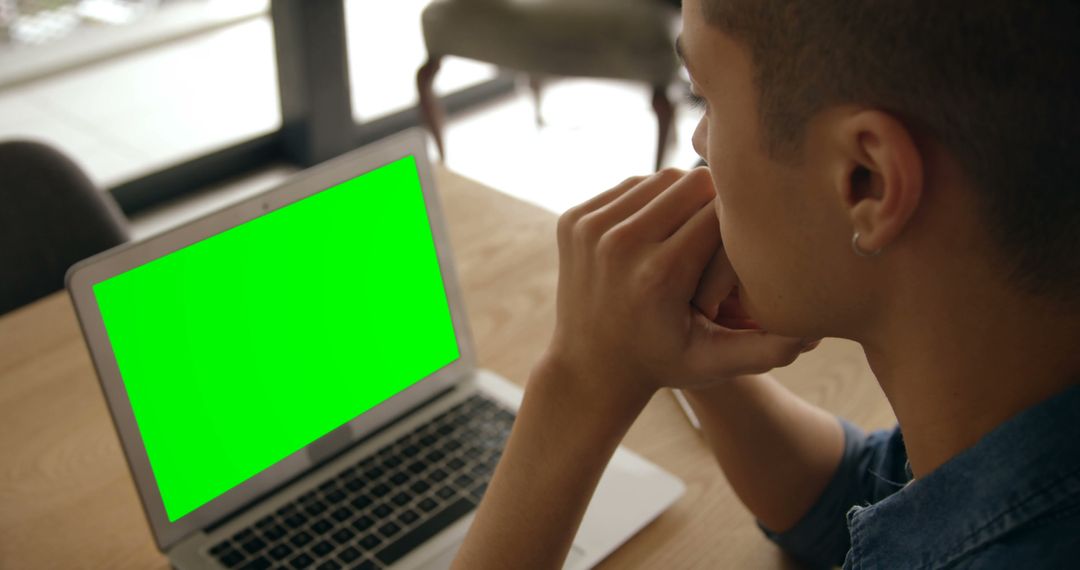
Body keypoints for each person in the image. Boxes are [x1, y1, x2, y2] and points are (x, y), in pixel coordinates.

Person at [453, 0, 1080, 567]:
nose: (698, 145)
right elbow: (864, 501)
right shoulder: (1013, 410)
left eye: (705, 100)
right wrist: (673, 352)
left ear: (868, 180)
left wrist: (577, 383)